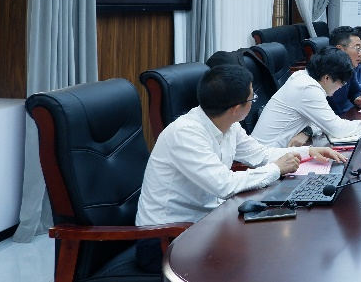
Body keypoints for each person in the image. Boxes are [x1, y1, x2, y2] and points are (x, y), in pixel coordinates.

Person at [135, 64, 346, 272]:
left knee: (279, 239)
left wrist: (309, 152)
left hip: (206, 222)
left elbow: (261, 155)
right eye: (252, 98)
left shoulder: (228, 124)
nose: (254, 102)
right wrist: (276, 169)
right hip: (165, 239)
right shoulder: (185, 134)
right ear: (237, 109)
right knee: (267, 255)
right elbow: (224, 185)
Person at [251, 47, 361, 147]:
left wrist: (307, 131)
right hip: (268, 156)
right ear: (327, 78)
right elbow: (336, 129)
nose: (341, 87)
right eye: (342, 83)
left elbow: (320, 121)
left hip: (280, 150)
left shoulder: (302, 77)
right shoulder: (308, 89)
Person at [325, 26, 361, 114]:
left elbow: (355, 91)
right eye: (357, 48)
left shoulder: (349, 68)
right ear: (340, 49)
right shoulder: (325, 73)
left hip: (346, 116)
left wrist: (357, 99)